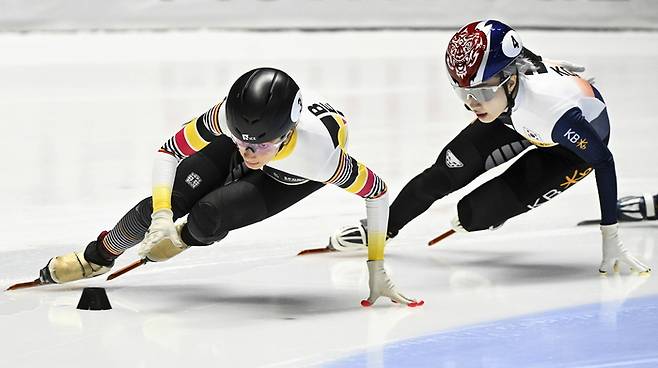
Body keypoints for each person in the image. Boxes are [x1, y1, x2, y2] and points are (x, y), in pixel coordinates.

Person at [35, 67, 422, 307]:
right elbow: (166, 153)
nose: (249, 153)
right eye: (241, 141)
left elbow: (379, 192)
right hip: (263, 140)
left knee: (208, 217)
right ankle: (96, 256)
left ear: (287, 133)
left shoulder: (319, 158)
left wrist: (376, 265)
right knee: (164, 200)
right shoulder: (226, 118)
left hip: (288, 176)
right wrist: (162, 215)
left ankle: (189, 236)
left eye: (260, 146)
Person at [330, 20, 651, 275]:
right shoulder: (500, 87)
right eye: (463, 93)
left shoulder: (551, 110)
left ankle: (494, 210)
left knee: (474, 214)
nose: (472, 104)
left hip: (567, 150)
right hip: (511, 115)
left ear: (510, 80)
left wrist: (611, 238)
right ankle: (383, 230)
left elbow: (604, 161)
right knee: (442, 174)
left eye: (481, 93)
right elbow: (512, 45)